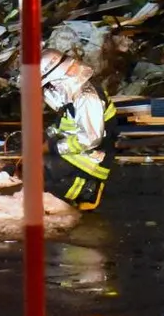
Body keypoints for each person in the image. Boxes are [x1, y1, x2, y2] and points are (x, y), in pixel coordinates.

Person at [38, 49, 115, 210]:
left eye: (49, 85)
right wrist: (46, 135)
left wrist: (51, 147)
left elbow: (91, 139)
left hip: (92, 159)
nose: (48, 90)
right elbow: (66, 125)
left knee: (41, 170)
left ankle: (87, 190)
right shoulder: (73, 95)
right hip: (77, 152)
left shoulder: (86, 97)